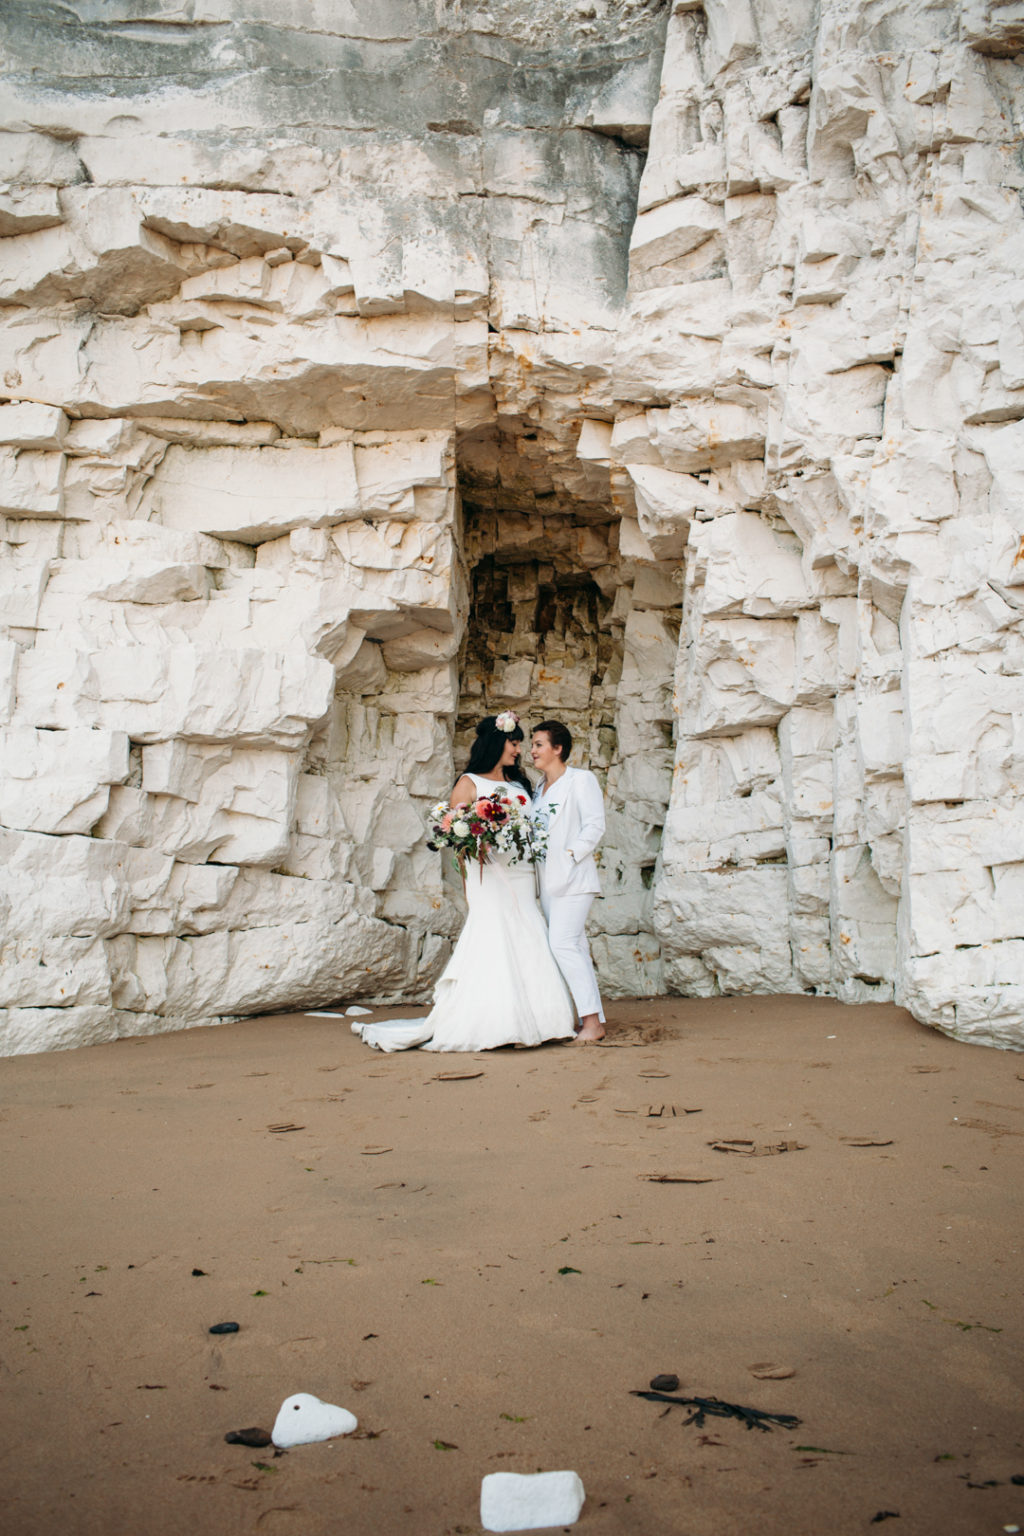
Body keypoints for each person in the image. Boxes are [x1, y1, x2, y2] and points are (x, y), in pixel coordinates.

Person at [353, 713, 575, 1052]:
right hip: (489, 876)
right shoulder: (469, 782)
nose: (519, 749)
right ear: (495, 743)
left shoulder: (521, 786)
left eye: (520, 743)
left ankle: (543, 1020)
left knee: (528, 933)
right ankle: (495, 1022)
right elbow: (453, 832)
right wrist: (478, 849)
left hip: (522, 874)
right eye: (513, 742)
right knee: (494, 936)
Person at [530, 720, 606, 1043]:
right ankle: (592, 1019)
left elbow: (595, 825)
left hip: (574, 879)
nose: (532, 750)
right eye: (532, 745)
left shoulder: (580, 780)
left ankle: (591, 1023)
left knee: (562, 943)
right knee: (574, 945)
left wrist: (570, 855)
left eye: (538, 744)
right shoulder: (538, 788)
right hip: (548, 882)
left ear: (558, 748)